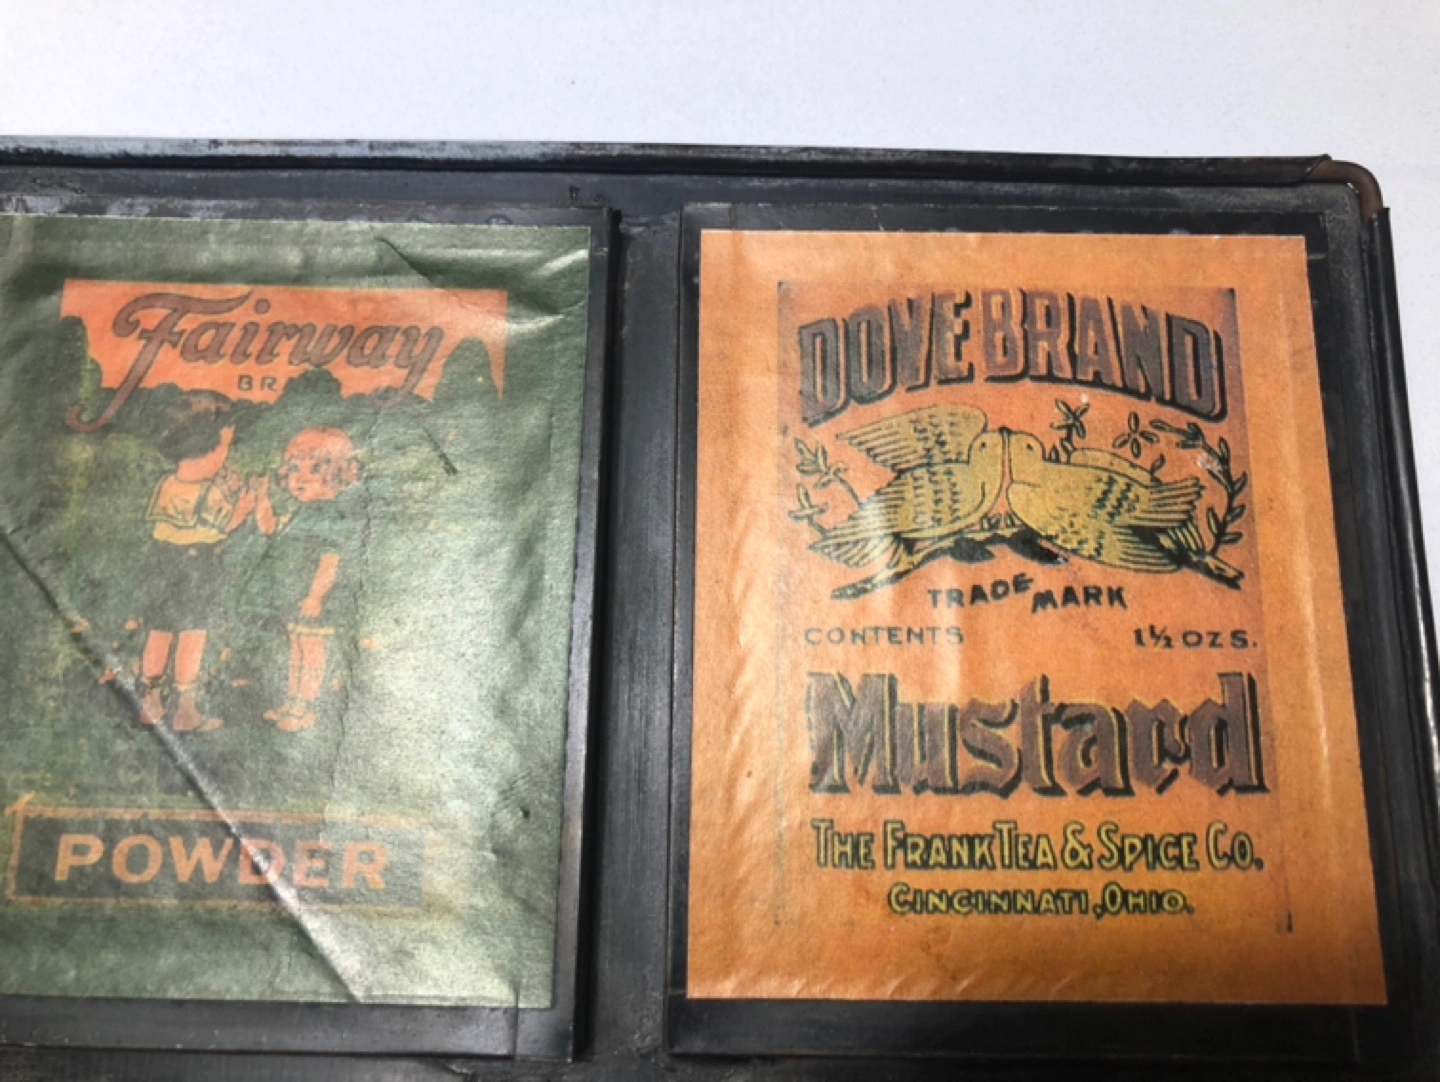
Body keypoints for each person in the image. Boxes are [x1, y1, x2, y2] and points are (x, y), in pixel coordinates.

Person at [137, 395, 259, 732]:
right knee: (193, 633)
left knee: (159, 631)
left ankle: (151, 702)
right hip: (198, 563)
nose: (225, 458)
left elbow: (166, 521)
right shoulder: (211, 491)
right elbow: (222, 528)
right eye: (223, 450)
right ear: (205, 450)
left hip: (161, 558)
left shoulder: (167, 483)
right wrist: (245, 505)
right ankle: (185, 709)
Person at [255, 426, 362, 733]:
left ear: (340, 475)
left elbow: (331, 559)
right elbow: (270, 529)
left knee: (311, 649)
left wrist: (315, 597)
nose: (300, 478)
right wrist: (261, 497)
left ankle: (306, 705)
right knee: (297, 648)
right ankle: (293, 701)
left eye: (315, 470)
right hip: (296, 592)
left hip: (316, 596)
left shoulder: (331, 515)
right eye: (293, 469)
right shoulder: (302, 511)